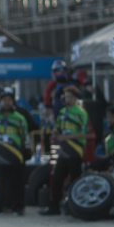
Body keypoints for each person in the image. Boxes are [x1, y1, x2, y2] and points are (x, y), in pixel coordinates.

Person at [0, 88, 30, 216]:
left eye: (9, 100)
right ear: (0, 101)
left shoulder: (20, 118)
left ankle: (18, 208)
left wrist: (26, 151)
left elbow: (25, 137)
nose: (7, 102)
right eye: (4, 100)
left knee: (17, 184)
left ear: (13, 102)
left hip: (16, 156)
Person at [43, 85, 87, 216]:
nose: (68, 99)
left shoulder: (81, 113)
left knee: (75, 181)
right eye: (66, 96)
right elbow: (58, 128)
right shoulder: (62, 113)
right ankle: (54, 207)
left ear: (75, 98)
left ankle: (76, 208)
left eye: (70, 97)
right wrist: (56, 132)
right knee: (57, 179)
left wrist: (66, 137)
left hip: (75, 151)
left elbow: (84, 133)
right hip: (64, 151)